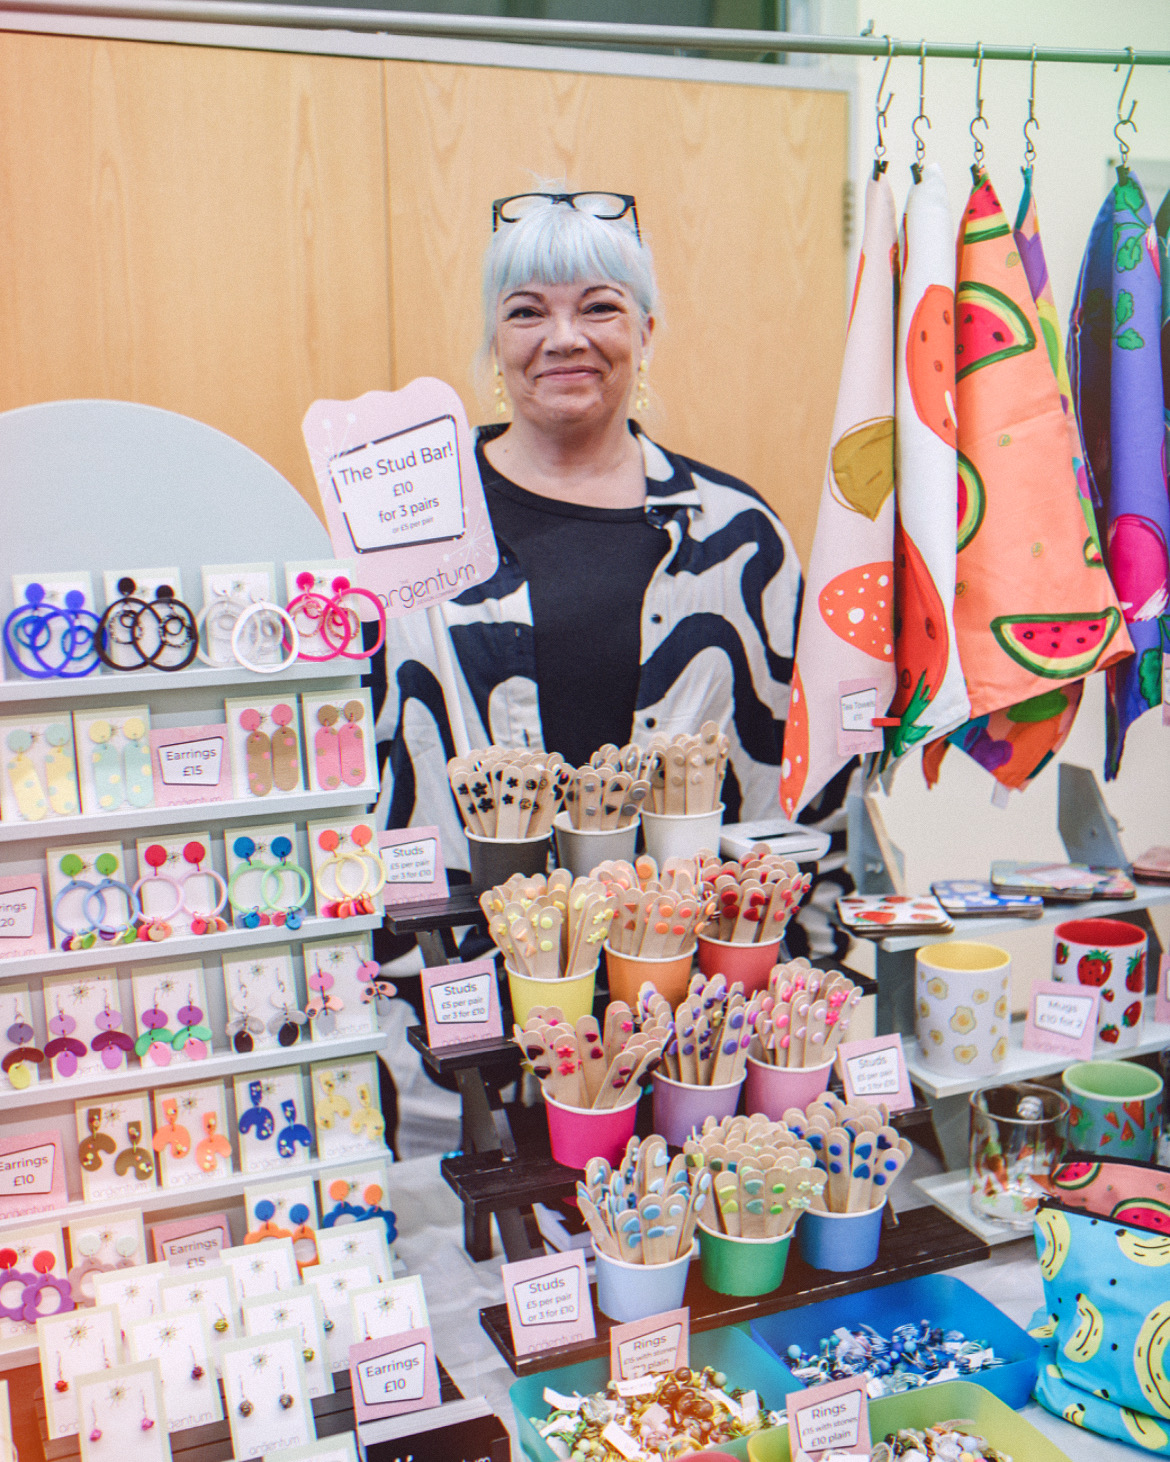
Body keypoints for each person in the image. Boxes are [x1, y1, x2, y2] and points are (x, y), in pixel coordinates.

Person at [368, 189, 852, 1147]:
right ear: (492, 341)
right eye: (526, 310)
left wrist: (810, 979)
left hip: (690, 1019)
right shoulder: (407, 523)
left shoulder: (736, 537)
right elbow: (359, 753)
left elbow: (801, 789)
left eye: (598, 306)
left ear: (646, 328)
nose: (564, 338)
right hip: (464, 1013)